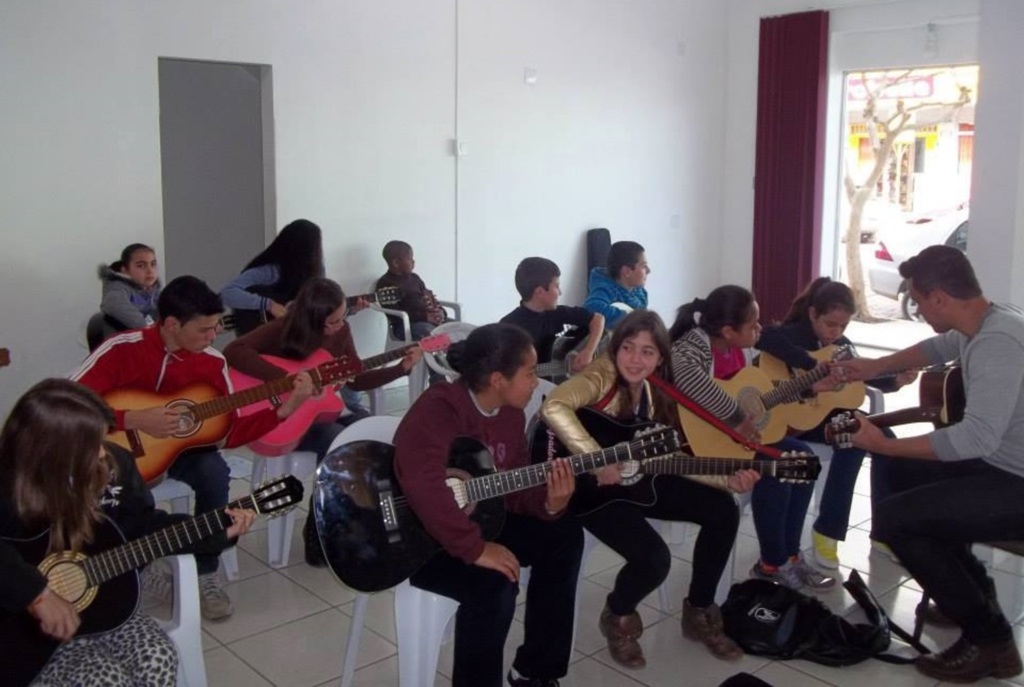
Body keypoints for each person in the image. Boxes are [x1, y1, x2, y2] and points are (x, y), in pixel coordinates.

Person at [71, 276, 313, 620]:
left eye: (216, 328)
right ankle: (133, 567)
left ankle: (205, 570)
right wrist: (131, 420)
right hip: (116, 452)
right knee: (117, 490)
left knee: (215, 469)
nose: (213, 337)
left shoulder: (212, 363)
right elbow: (67, 404)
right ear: (171, 324)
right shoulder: (121, 348)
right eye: (205, 330)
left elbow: (228, 433)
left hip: (181, 453)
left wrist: (285, 408)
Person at [836, 245, 1024, 683]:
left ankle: (991, 642)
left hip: (1015, 481)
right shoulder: (986, 322)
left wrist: (884, 445)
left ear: (939, 297)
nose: (917, 309)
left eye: (918, 301)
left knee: (900, 521)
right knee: (902, 477)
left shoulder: (998, 343)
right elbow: (935, 348)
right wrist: (869, 368)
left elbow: (975, 437)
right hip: (999, 465)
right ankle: (974, 598)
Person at [0, 379, 257, 687]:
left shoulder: (114, 465)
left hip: (101, 606)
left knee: (158, 657)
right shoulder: (9, 483)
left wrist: (217, 529)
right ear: (50, 451)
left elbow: (143, 525)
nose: (100, 454)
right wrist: (36, 594)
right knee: (104, 680)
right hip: (24, 636)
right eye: (89, 446)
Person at [541, 309, 760, 668]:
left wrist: (727, 480)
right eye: (628, 348)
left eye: (647, 352)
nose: (636, 359)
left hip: (640, 479)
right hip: (590, 488)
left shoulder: (657, 391)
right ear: (615, 348)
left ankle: (699, 609)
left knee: (723, 508)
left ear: (660, 357)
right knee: (654, 559)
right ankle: (618, 614)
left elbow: (673, 457)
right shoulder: (602, 374)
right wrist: (596, 460)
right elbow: (555, 405)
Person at [393, 323, 581, 687]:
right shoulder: (439, 408)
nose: (535, 382)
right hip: (419, 538)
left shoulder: (510, 415)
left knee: (564, 536)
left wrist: (549, 503)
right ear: (498, 379)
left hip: (479, 520)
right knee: (494, 587)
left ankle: (535, 671)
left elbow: (513, 485)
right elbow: (421, 482)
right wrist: (474, 548)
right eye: (529, 373)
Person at [223, 277, 422, 566]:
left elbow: (357, 378)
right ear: (312, 319)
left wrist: (401, 369)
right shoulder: (283, 328)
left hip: (322, 411)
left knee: (371, 434)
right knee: (336, 443)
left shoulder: (342, 331)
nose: (339, 326)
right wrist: (287, 381)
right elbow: (235, 351)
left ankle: (356, 522)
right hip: (286, 418)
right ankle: (320, 532)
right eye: (332, 322)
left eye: (342, 318)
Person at [669, 285, 835, 593]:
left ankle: (791, 554)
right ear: (729, 331)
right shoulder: (694, 344)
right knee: (779, 468)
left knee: (805, 461)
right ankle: (771, 564)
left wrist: (811, 387)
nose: (760, 328)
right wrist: (736, 419)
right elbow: (687, 377)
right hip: (700, 448)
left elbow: (758, 398)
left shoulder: (737, 350)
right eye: (753, 324)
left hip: (732, 440)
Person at [756, 277, 915, 570]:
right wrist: (811, 366)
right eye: (830, 324)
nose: (836, 333)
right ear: (812, 313)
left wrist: (895, 379)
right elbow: (764, 336)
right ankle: (827, 531)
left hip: (828, 417)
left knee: (885, 439)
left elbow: (861, 374)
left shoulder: (841, 345)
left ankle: (884, 531)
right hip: (797, 419)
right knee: (853, 438)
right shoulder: (791, 335)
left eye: (843, 326)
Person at [500, 257, 605, 376]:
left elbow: (598, 319)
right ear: (540, 292)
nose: (560, 292)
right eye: (556, 286)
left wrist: (588, 351)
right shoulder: (508, 328)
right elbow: (506, 373)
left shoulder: (555, 313)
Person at [219, 219, 325, 336]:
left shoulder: (315, 276)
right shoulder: (270, 271)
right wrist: (269, 305)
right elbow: (227, 293)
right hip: (263, 341)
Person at [375, 240, 447, 341]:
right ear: (396, 263)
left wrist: (440, 311)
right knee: (430, 332)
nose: (413, 261)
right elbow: (394, 315)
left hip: (427, 320)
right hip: (405, 326)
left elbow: (428, 298)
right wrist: (424, 316)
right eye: (410, 258)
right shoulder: (385, 283)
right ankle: (434, 356)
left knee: (457, 328)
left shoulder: (415, 278)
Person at [582, 241, 649, 329]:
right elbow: (591, 308)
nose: (648, 270)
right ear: (627, 271)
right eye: (644, 266)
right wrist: (632, 318)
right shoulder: (605, 289)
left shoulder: (640, 293)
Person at [98, 243, 161, 330]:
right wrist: (146, 328)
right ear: (125, 270)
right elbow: (113, 304)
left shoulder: (154, 290)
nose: (150, 270)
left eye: (153, 264)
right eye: (141, 265)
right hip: (128, 338)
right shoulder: (118, 287)